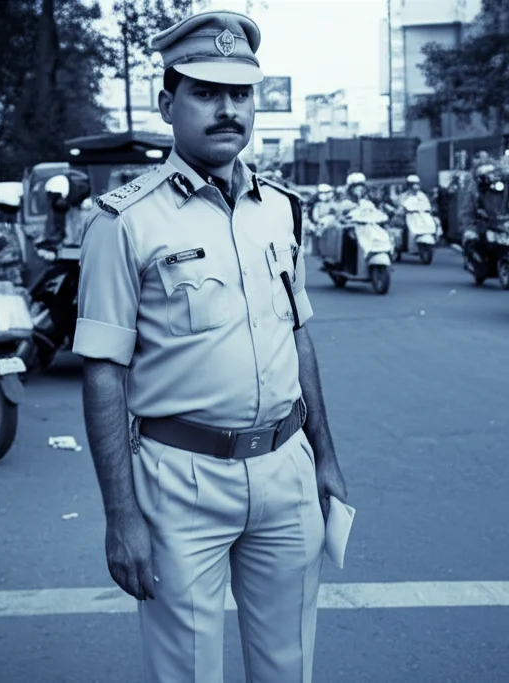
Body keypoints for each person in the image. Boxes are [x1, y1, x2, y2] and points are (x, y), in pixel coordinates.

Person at [72, 10, 346, 683]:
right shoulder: (124, 221)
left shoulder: (280, 208)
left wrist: (327, 460)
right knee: (188, 672)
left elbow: (297, 336)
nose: (228, 110)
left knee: (290, 664)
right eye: (205, 92)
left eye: (241, 93)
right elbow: (103, 373)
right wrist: (121, 516)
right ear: (170, 104)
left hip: (285, 465)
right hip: (179, 478)